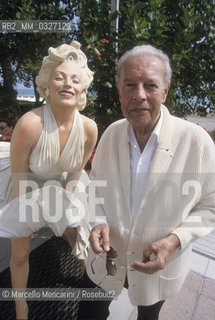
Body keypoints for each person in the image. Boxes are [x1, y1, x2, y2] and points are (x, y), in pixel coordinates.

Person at [78, 44, 215, 320]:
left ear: (165, 91)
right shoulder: (111, 134)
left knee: (148, 316)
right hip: (107, 259)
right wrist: (97, 221)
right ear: (119, 90)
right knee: (88, 313)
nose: (139, 95)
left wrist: (176, 240)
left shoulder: (196, 142)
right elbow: (94, 190)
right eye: (130, 84)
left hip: (158, 268)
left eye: (150, 85)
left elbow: (210, 207)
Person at [0, 41, 97, 319]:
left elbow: (78, 170)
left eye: (75, 80)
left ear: (82, 89)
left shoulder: (89, 128)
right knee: (19, 254)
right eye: (60, 77)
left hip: (63, 182)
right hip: (25, 184)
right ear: (48, 84)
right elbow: (19, 176)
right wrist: (27, 217)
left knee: (81, 235)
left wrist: (66, 206)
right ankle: (21, 309)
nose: (67, 84)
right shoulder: (30, 124)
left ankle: (90, 288)